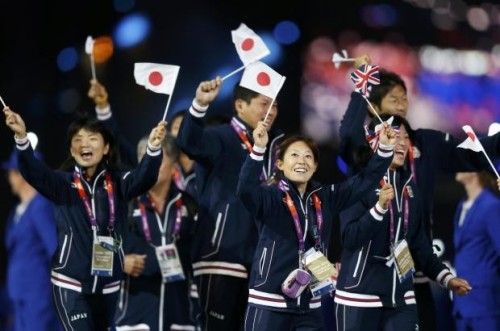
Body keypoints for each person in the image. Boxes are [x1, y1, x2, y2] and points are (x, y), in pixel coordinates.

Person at [338, 55, 500, 331]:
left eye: (404, 98)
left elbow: (473, 154)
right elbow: (348, 137)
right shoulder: (364, 154)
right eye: (393, 99)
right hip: (368, 278)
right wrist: (361, 88)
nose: (401, 105)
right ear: (374, 108)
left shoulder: (425, 141)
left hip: (415, 269)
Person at [3, 107, 166, 331]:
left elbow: (144, 178)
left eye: (92, 138)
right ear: (71, 149)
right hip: (71, 283)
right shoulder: (62, 184)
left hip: (108, 284)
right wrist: (22, 138)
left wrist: (154, 149)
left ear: (106, 147)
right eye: (77, 139)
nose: (84, 144)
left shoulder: (119, 183)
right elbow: (34, 172)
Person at [236, 118, 395, 330]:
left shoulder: (326, 197)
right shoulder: (269, 197)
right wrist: (258, 149)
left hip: (310, 307)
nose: (302, 161)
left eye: (308, 156)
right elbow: (245, 190)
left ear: (315, 166)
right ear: (280, 164)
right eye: (294, 155)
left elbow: (364, 181)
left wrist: (384, 149)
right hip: (269, 303)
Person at [335, 114, 472, 331]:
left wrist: (446, 278)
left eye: (406, 137)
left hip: (402, 297)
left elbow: (419, 246)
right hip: (359, 296)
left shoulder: (411, 189)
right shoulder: (356, 186)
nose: (401, 142)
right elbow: (349, 238)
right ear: (374, 142)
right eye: (394, 136)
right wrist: (379, 209)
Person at [176, 75, 285, 330]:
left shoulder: (277, 146)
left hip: (262, 262)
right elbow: (188, 142)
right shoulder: (220, 137)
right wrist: (200, 105)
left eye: (275, 105)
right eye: (264, 103)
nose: (271, 111)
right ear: (239, 106)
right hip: (221, 256)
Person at [115, 134, 199, 331]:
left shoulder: (190, 205)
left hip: (181, 318)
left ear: (173, 166)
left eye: (156, 159)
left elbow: (199, 257)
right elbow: (98, 247)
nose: (149, 167)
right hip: (134, 319)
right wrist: (119, 261)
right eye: (145, 160)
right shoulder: (124, 204)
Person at [2, 143, 62, 331]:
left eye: (13, 171)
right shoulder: (18, 211)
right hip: (20, 296)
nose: (9, 177)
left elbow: (55, 248)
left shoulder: (40, 205)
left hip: (37, 296)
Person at [452, 170, 500, 331]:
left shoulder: (491, 205)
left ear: (476, 171)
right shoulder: (461, 205)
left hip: (485, 303)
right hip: (462, 303)